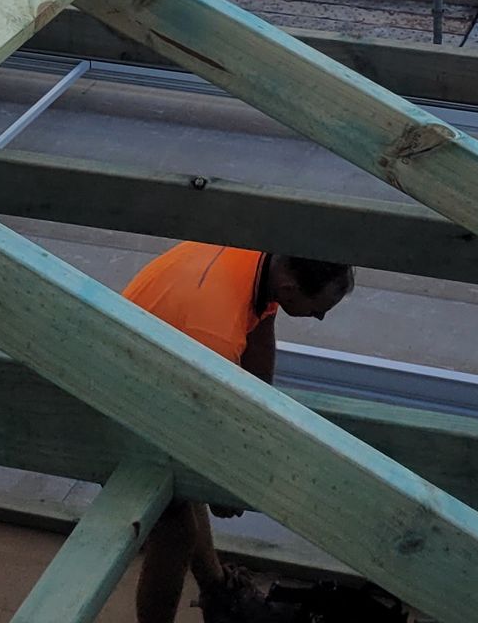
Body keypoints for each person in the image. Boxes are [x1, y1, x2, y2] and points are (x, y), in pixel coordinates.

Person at [122, 244, 355, 621]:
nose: (320, 317)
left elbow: (260, 344)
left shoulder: (259, 258)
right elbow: (204, 423)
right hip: (120, 388)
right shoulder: (216, 334)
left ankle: (219, 593)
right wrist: (224, 480)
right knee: (175, 528)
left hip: (158, 359)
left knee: (185, 494)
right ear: (290, 287)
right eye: (320, 308)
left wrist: (257, 436)